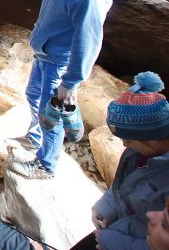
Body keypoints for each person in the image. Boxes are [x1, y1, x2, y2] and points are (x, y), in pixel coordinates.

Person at [10, 0, 113, 180]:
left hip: (59, 61)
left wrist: (71, 82)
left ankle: (46, 165)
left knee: (50, 112)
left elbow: (88, 40)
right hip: (46, 52)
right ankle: (35, 137)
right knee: (33, 95)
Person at [70, 72, 169, 250]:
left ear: (153, 140)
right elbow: (122, 184)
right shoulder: (135, 152)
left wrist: (113, 242)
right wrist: (107, 206)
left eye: (129, 140)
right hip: (119, 227)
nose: (124, 144)